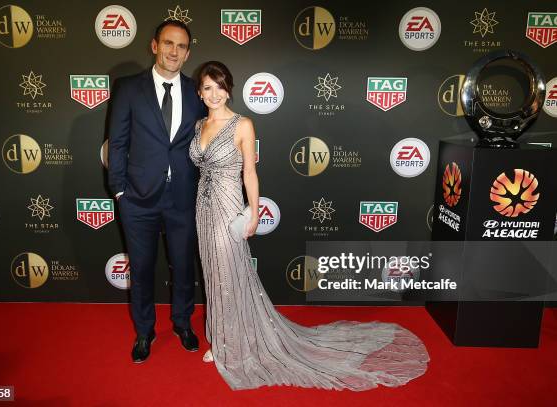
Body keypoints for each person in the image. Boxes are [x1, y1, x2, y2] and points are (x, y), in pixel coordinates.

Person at [190, 61, 430, 391]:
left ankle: (234, 347)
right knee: (213, 276)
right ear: (200, 92)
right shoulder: (199, 125)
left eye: (219, 86)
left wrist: (255, 213)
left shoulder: (241, 124)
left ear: (229, 88)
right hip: (202, 210)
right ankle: (220, 339)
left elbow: (249, 173)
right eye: (207, 87)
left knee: (230, 276)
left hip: (227, 211)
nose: (214, 94)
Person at [108, 20, 206, 363]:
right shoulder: (128, 88)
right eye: (168, 43)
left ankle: (182, 323)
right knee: (143, 268)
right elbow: (117, 143)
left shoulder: (198, 92)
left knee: (183, 266)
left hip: (182, 196)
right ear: (154, 45)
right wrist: (118, 190)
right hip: (137, 198)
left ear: (188, 52)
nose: (173, 51)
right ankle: (144, 330)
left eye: (180, 46)